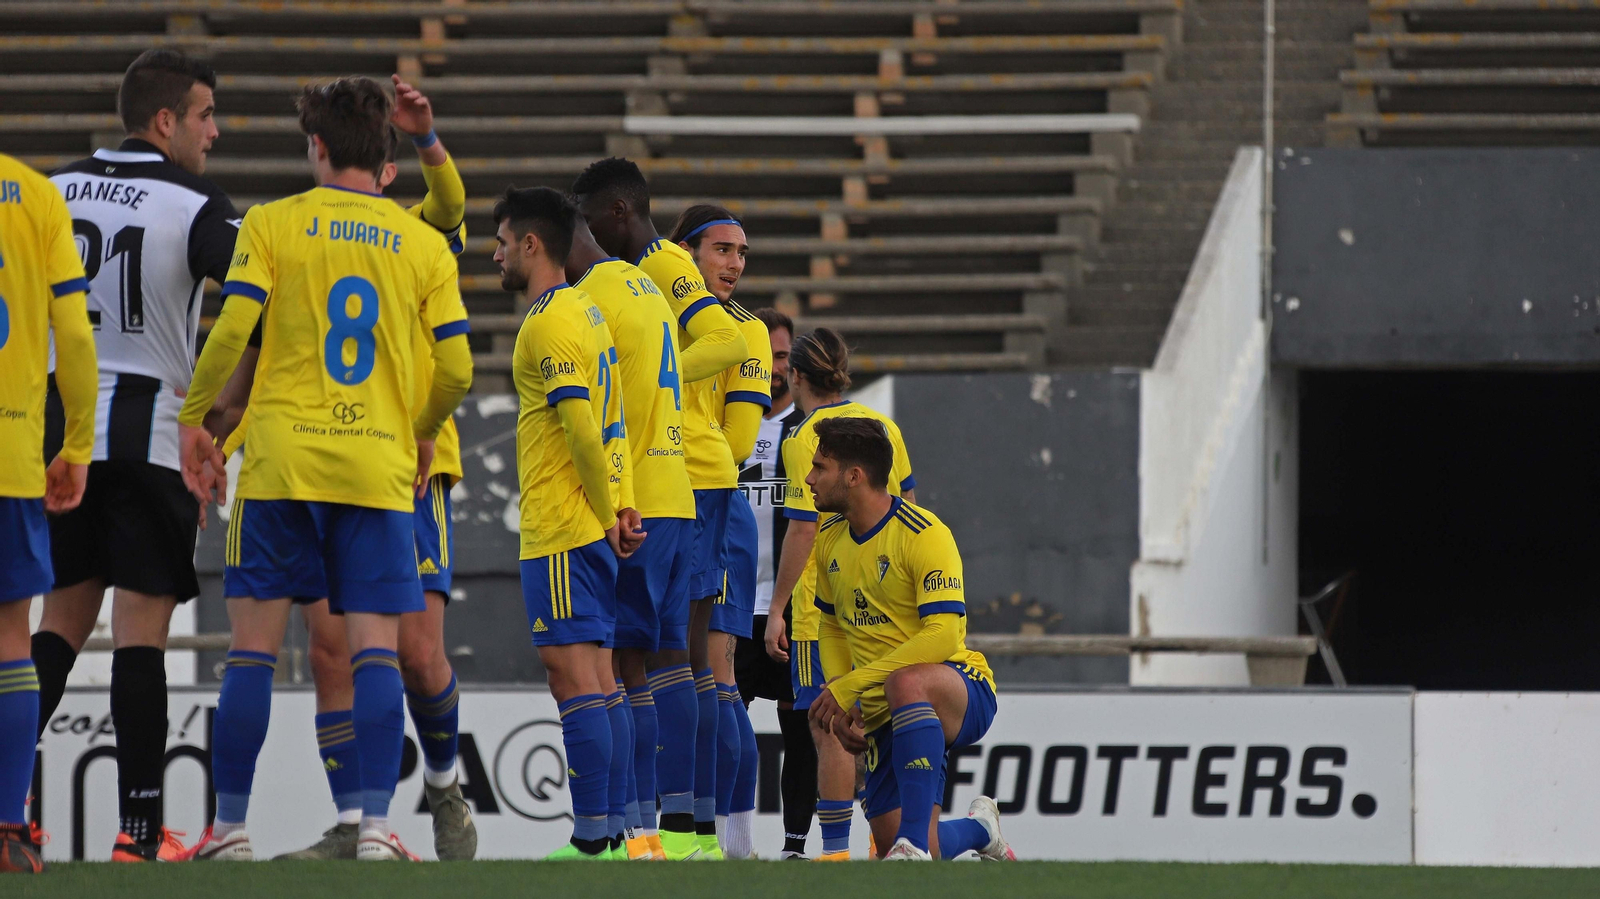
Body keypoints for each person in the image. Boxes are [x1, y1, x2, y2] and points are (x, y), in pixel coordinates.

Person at [173, 76, 472, 861]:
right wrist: (424, 430)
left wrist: (192, 420)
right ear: (385, 159)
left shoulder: (271, 223)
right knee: (375, 650)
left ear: (316, 146)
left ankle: (230, 828)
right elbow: (460, 369)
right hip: (376, 466)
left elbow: (234, 326)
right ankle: (375, 826)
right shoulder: (422, 242)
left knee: (252, 653)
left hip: (279, 466)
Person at [33, 48, 238, 863]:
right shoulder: (194, 202)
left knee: (56, 630)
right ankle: (139, 833)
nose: (214, 133)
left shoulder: (50, 192)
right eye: (205, 115)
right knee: (141, 640)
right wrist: (224, 412)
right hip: (154, 438)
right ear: (166, 121)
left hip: (62, 441)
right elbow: (254, 305)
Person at [571, 157, 746, 860]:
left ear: (614, 214)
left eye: (587, 221)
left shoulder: (662, 260)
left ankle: (684, 830)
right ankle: (687, 830)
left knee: (675, 659)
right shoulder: (639, 270)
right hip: (681, 477)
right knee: (681, 661)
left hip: (686, 478)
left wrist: (656, 368)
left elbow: (726, 338)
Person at [494, 186, 641, 860]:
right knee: (602, 679)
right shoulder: (586, 310)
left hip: (562, 526)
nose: (494, 255)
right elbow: (615, 427)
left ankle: (590, 842)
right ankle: (612, 834)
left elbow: (583, 425)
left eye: (500, 242)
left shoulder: (547, 322)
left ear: (531, 244)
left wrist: (610, 511)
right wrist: (621, 506)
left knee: (573, 679)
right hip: (594, 523)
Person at [803, 417, 1012, 861]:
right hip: (881, 710)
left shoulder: (925, 534)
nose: (809, 478)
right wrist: (844, 698)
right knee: (897, 847)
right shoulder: (829, 539)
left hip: (959, 685)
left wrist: (853, 685)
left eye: (820, 467)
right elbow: (833, 625)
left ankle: (912, 844)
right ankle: (979, 830)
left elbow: (943, 635)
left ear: (854, 476)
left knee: (905, 681)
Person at [563, 218, 695, 861]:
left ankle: (630, 834)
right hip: (677, 495)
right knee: (659, 668)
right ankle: (655, 832)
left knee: (617, 670)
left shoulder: (592, 302)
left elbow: (600, 415)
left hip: (635, 499)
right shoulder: (643, 285)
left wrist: (614, 503)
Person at [764, 328, 915, 861]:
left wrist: (778, 607)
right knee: (883, 720)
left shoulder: (806, 438)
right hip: (883, 605)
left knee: (827, 720)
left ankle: (833, 854)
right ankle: (889, 844)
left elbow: (802, 530)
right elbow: (911, 506)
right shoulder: (885, 428)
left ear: (795, 375)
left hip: (821, 610)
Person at [0, 152, 99, 875]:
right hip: (10, 454)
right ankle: (9, 828)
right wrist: (77, 444)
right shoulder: (34, 194)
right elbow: (76, 331)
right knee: (10, 635)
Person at [667, 205, 771, 859]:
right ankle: (672, 824)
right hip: (663, 497)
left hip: (711, 501)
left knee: (714, 668)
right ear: (686, 253)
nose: (734, 263)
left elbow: (735, 441)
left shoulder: (747, 332)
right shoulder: (655, 314)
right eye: (722, 250)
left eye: (741, 252)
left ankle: (729, 836)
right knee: (662, 665)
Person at [731, 308, 816, 859]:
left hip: (792, 610)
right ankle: (725, 842)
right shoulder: (722, 425)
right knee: (723, 727)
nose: (772, 367)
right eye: (762, 355)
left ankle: (795, 848)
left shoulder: (808, 435)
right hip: (731, 606)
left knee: (801, 732)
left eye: (782, 356)